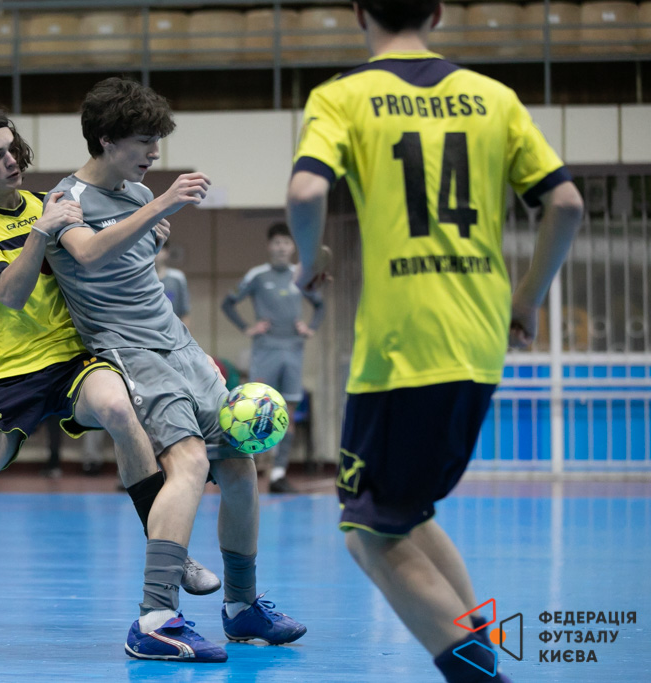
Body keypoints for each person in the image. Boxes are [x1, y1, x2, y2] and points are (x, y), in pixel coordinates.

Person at [286, 2, 584, 681]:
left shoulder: (343, 95)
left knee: (367, 532)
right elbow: (565, 203)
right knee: (407, 512)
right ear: (439, 11)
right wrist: (527, 298)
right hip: (479, 338)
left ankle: (482, 677)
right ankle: (486, 651)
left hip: (403, 347)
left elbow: (305, 191)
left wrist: (309, 262)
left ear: (358, 11)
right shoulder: (493, 96)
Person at [0, 106, 219, 652]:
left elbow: (102, 258)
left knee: (119, 409)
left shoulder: (55, 200)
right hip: (14, 374)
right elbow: (10, 293)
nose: (11, 161)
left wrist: (149, 237)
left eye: (13, 149)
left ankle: (169, 549)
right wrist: (39, 234)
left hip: (76, 357)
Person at [45, 77, 306, 662]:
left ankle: (241, 606)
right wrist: (162, 204)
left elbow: (133, 268)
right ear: (106, 140)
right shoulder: (66, 198)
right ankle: (155, 619)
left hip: (181, 348)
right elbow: (86, 253)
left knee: (238, 462)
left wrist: (151, 222)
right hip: (130, 352)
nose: (154, 153)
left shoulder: (136, 194)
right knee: (188, 464)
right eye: (144, 141)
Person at [221, 222, 325, 493]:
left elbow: (320, 305)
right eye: (277, 242)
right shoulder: (257, 275)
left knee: (287, 412)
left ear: (293, 247)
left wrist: (310, 328)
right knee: (253, 410)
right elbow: (227, 303)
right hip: (265, 350)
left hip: (293, 351)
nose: (281, 248)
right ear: (269, 246)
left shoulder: (301, 274)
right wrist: (247, 328)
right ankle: (247, 470)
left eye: (286, 243)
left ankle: (278, 473)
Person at [155, 239, 191, 327]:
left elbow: (185, 312)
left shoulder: (178, 278)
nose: (156, 254)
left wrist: (185, 334)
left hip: (173, 331)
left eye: (159, 249)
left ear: (166, 252)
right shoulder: (140, 279)